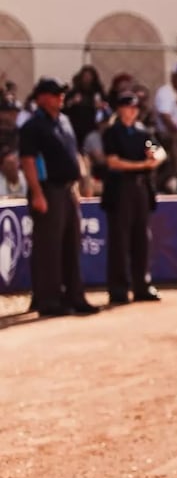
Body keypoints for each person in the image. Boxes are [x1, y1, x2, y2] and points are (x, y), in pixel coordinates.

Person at [18, 77, 98, 317]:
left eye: (62, 94)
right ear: (41, 97)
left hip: (67, 190)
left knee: (71, 245)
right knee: (48, 248)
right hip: (47, 190)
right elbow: (28, 160)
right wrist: (37, 193)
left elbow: (74, 152)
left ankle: (75, 297)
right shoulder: (33, 126)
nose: (60, 97)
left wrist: (82, 182)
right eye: (55, 94)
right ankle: (49, 300)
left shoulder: (64, 121)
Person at [102, 91, 168, 305]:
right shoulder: (112, 132)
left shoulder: (142, 132)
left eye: (135, 108)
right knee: (119, 240)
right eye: (128, 107)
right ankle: (118, 289)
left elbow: (160, 151)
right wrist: (142, 166)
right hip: (120, 189)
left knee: (142, 238)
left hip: (141, 189)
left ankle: (142, 285)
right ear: (120, 109)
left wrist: (154, 159)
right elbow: (113, 162)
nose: (132, 111)